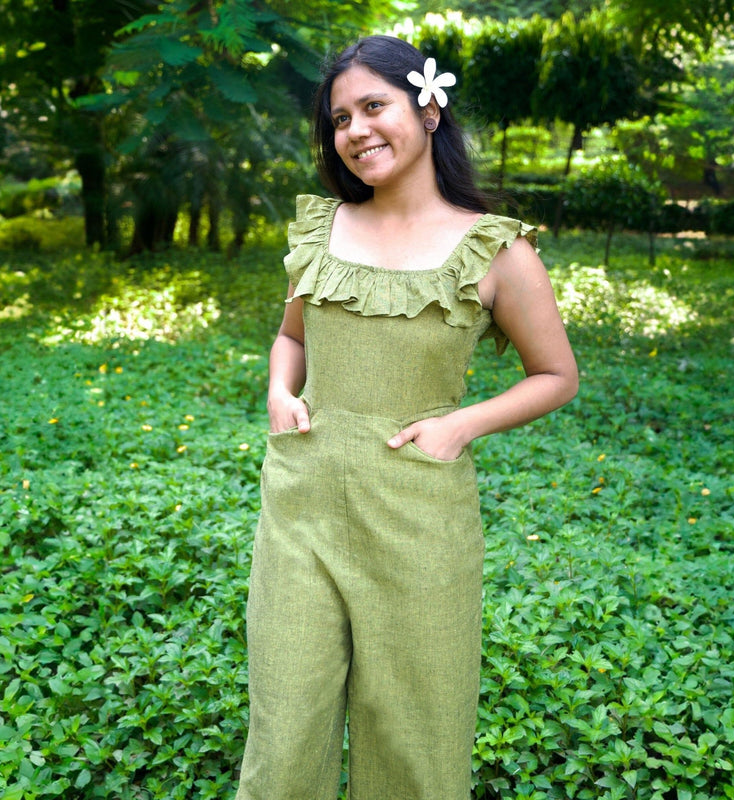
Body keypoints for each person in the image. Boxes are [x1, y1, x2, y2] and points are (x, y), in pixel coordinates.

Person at [235, 34, 578, 800]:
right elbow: (290, 338)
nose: (355, 130)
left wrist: (461, 425)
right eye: (340, 119)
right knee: (283, 736)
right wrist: (279, 392)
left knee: (415, 741)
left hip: (421, 520)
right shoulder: (321, 233)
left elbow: (556, 376)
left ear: (428, 108)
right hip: (302, 510)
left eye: (373, 106)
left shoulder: (495, 252)